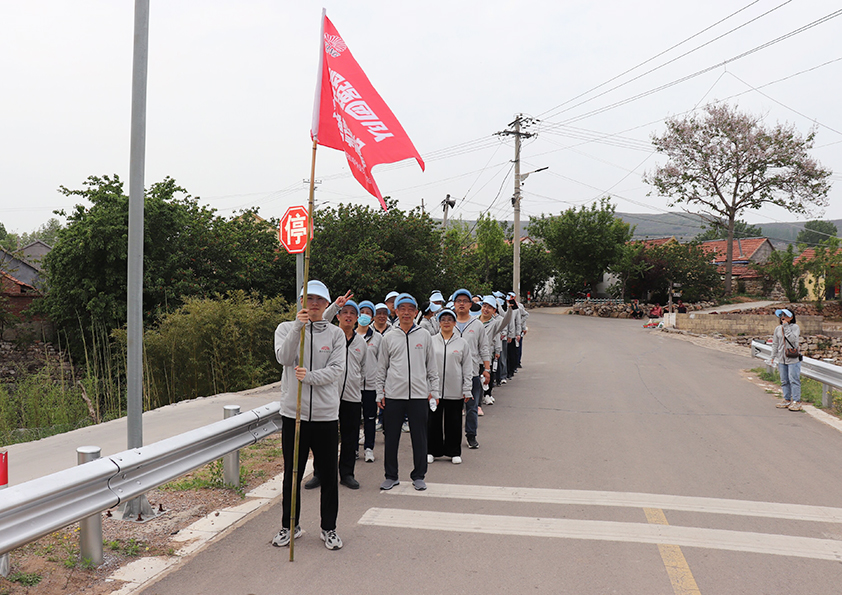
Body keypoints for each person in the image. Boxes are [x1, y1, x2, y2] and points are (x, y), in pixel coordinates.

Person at [272, 280, 345, 551]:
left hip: (326, 417)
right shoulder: (285, 328)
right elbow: (284, 357)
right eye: (308, 298)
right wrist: (297, 327)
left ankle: (329, 528)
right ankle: (290, 526)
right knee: (292, 474)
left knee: (328, 475)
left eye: (319, 299)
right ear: (301, 301)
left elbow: (337, 369)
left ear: (326, 304)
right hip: (294, 416)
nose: (314, 303)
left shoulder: (336, 335)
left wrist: (310, 377)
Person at [376, 293, 439, 491]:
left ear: (416, 312)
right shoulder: (388, 337)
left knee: (419, 437)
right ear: (396, 311)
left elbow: (432, 367)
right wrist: (380, 393)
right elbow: (381, 368)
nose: (406, 313)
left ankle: (419, 475)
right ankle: (391, 475)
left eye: (410, 309)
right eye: (402, 309)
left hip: (419, 395)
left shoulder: (424, 335)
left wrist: (434, 391)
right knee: (391, 437)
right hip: (394, 395)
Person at [428, 308, 472, 464]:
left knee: (454, 422)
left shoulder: (462, 343)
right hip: (434, 390)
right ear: (439, 323)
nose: (446, 322)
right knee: (433, 421)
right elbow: (425, 365)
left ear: (454, 323)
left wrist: (467, 389)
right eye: (443, 319)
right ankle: (432, 450)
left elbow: (467, 367)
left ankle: (453, 451)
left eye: (449, 319)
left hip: (455, 389)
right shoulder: (431, 341)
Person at [451, 288, 491, 448]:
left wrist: (487, 369)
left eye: (465, 301)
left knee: (472, 407)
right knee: (452, 408)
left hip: (472, 372)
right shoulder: (447, 322)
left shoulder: (477, 325)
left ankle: (471, 435)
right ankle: (452, 437)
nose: (462, 304)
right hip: (450, 373)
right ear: (453, 304)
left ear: (470, 304)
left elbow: (484, 348)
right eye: (458, 301)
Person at [356, 300, 382, 463]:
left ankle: (369, 448)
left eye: (368, 312)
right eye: (362, 311)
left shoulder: (378, 338)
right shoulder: (348, 335)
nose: (364, 315)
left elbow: (382, 362)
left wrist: (382, 387)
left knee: (370, 418)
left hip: (371, 385)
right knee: (352, 420)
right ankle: (352, 449)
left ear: (372, 317)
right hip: (352, 386)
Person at [478, 295, 513, 405]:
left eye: (489, 307)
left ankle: (485, 396)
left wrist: (510, 309)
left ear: (494, 310)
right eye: (484, 306)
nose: (486, 309)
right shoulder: (474, 321)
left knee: (485, 378)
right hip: (472, 356)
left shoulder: (495, 323)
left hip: (485, 356)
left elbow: (506, 321)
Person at [772, 308, 803, 411]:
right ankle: (786, 399)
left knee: (794, 379)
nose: (783, 317)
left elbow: (793, 340)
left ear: (791, 317)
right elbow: (775, 343)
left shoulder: (795, 327)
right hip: (782, 358)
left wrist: (786, 326)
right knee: (784, 380)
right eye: (782, 315)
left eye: (786, 315)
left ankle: (796, 401)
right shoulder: (778, 329)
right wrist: (773, 356)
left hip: (793, 358)